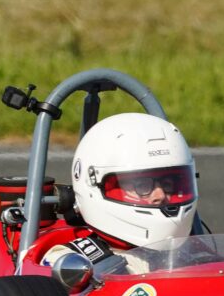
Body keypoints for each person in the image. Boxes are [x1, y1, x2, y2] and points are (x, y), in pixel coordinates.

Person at [39, 112, 199, 270]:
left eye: (168, 184)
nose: (160, 196)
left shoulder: (198, 256)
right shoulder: (68, 264)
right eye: (142, 186)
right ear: (95, 186)